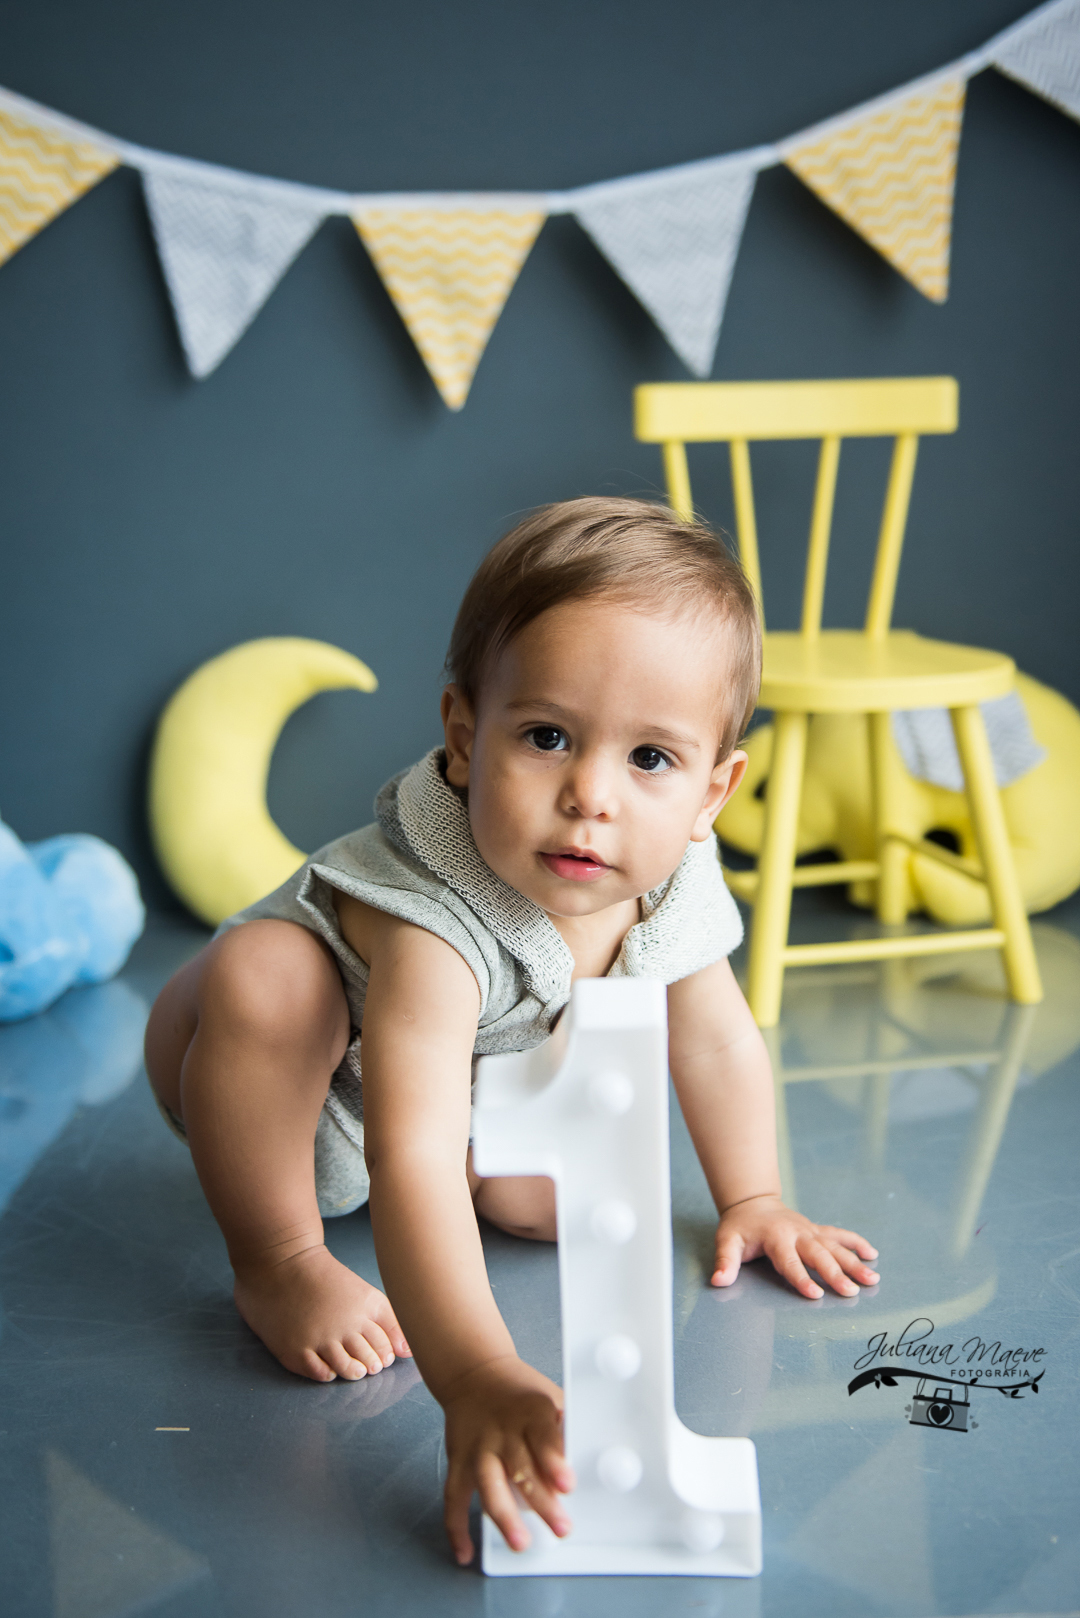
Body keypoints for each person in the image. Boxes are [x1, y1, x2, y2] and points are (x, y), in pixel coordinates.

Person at [144, 497, 879, 1564]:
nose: (591, 797)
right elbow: (411, 1149)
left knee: (548, 1210)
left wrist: (754, 1197)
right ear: (462, 735)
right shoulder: (435, 919)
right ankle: (277, 1254)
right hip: (268, 1071)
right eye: (546, 737)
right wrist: (477, 1373)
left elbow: (714, 1037)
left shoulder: (667, 866)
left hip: (471, 1076)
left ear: (716, 790)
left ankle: (488, 1168)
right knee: (267, 976)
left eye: (651, 760)